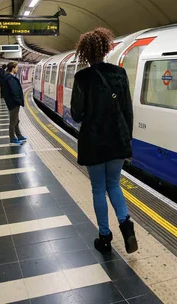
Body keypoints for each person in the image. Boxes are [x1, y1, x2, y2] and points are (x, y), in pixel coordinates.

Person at [70, 28, 138, 254]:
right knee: (114, 185)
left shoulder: (82, 78)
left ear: (84, 53)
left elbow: (77, 114)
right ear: (106, 49)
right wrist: (127, 143)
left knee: (99, 189)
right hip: (117, 140)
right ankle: (126, 224)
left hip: (93, 141)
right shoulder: (119, 74)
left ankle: (104, 236)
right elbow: (128, 111)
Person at [0, 62, 26, 145]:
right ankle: (12, 139)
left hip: (12, 102)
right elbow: (14, 91)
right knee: (13, 121)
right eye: (16, 68)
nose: (17, 69)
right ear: (13, 68)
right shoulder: (10, 78)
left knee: (16, 120)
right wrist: (18, 101)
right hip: (13, 103)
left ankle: (19, 135)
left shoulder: (8, 77)